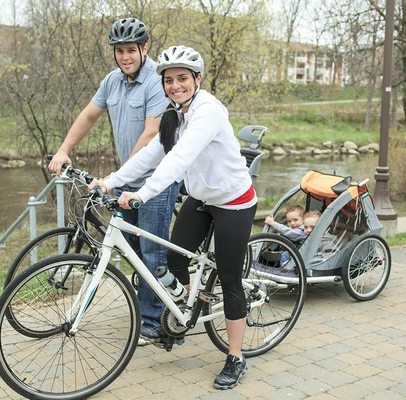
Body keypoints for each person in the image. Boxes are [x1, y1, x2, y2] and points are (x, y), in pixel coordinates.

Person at [89, 45, 257, 390]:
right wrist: (111, 181)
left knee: (229, 278)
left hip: (233, 201)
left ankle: (236, 357)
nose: (175, 85)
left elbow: (179, 158)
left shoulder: (208, 111)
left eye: (182, 78)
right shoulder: (174, 113)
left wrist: (141, 194)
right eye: (168, 80)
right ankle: (186, 311)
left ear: (197, 79)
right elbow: (152, 154)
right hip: (201, 198)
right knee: (171, 260)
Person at [48, 18, 180, 346]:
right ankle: (156, 304)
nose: (125, 57)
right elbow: (88, 115)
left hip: (156, 182)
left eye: (131, 51)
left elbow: (152, 134)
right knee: (131, 249)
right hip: (126, 179)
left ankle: (152, 323)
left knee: (151, 253)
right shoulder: (112, 82)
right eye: (119, 51)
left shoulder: (157, 82)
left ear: (144, 49)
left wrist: (115, 178)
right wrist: (64, 149)